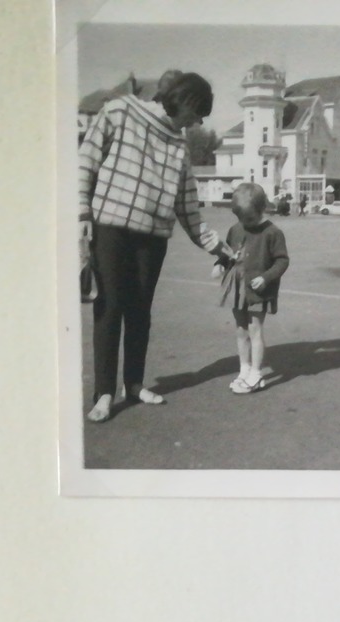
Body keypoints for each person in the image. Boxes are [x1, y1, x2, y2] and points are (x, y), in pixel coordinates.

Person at [79, 71, 224, 423]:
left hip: (153, 239)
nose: (200, 120)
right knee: (110, 309)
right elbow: (85, 163)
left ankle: (134, 383)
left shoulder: (179, 146)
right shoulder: (119, 111)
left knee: (140, 312)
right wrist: (81, 212)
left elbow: (188, 207)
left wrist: (217, 247)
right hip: (111, 229)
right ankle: (104, 394)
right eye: (199, 111)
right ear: (185, 101)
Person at [213, 182, 290, 394]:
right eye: (239, 218)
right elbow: (227, 253)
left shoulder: (273, 233)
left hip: (259, 291)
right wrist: (220, 264)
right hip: (237, 288)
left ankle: (256, 373)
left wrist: (266, 278)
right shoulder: (235, 229)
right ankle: (244, 369)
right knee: (240, 330)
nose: (244, 223)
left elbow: (282, 261)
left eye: (248, 218)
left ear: (261, 209)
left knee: (255, 330)